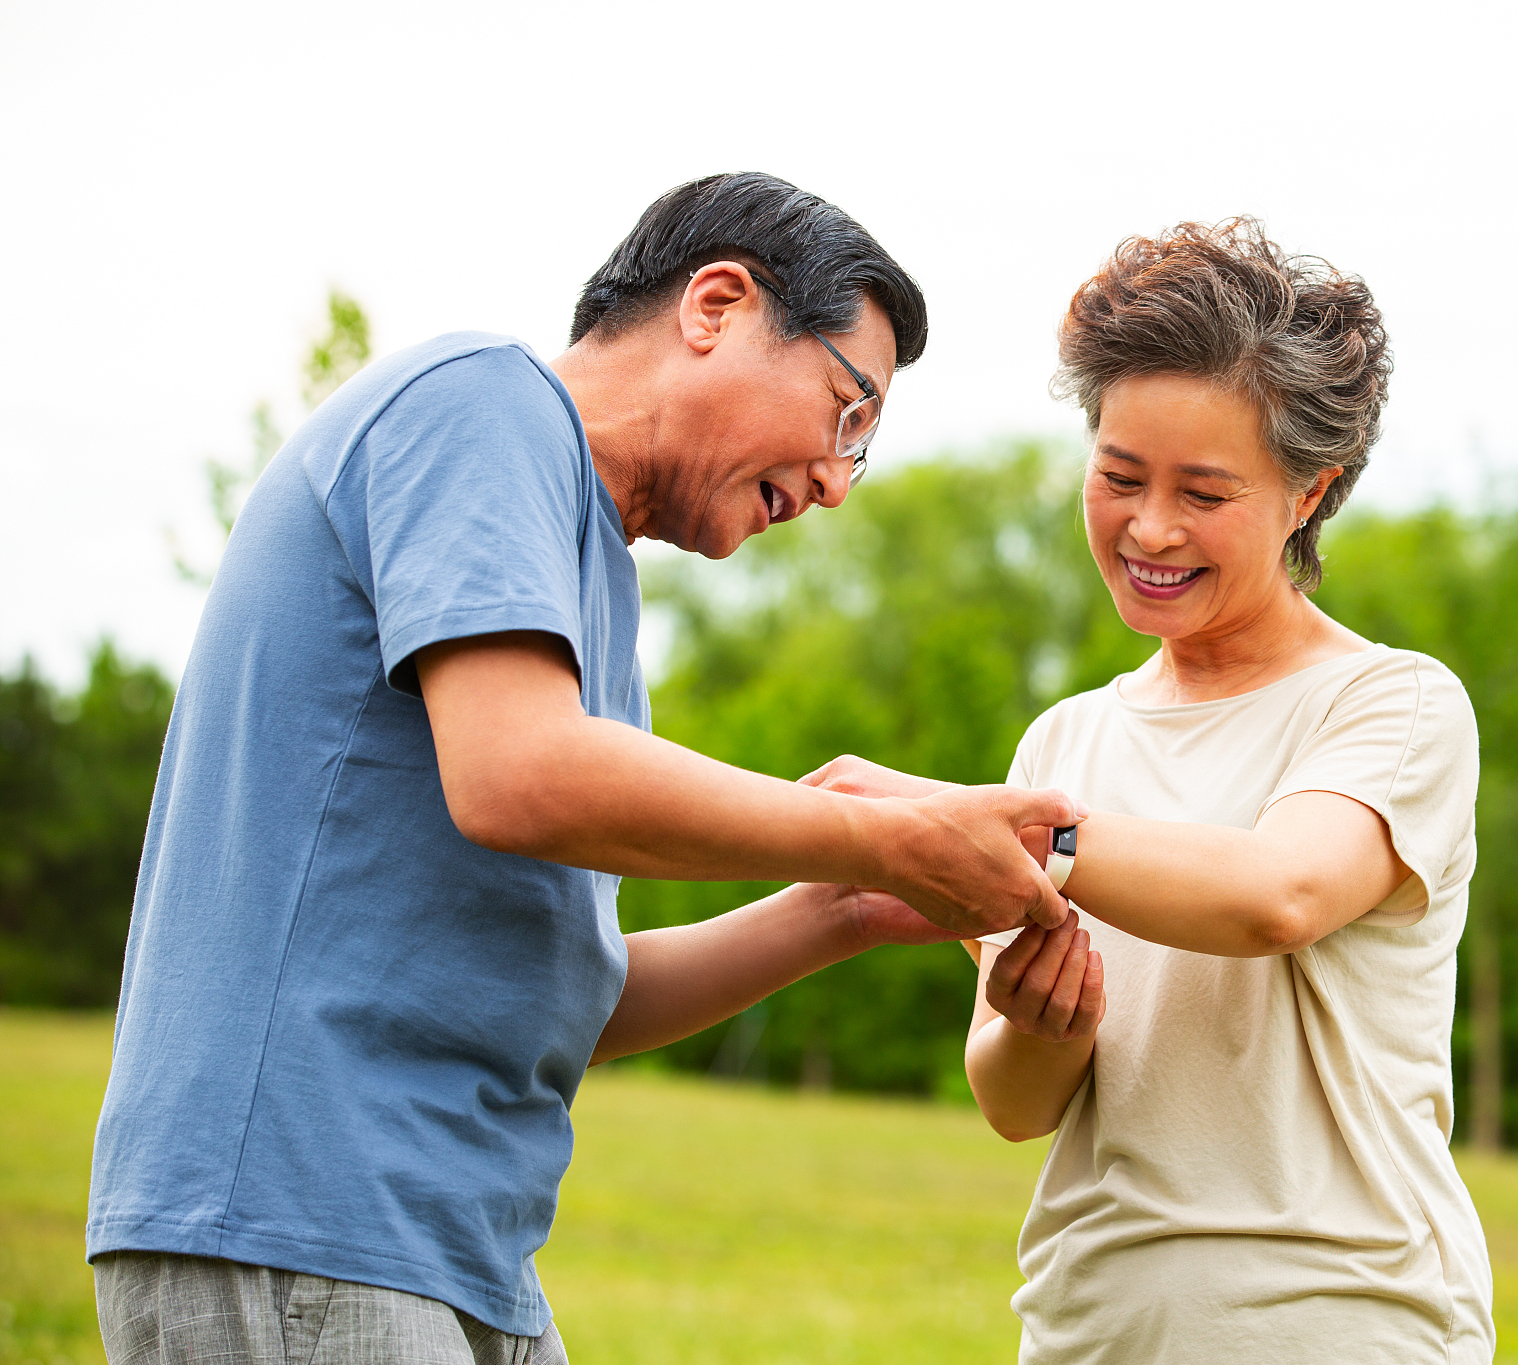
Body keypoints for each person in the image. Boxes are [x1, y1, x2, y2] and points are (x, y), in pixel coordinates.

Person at [86, 172, 1082, 1365]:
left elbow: (561, 994)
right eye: (847, 410)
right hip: (300, 1214)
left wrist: (842, 911)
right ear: (715, 305)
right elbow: (518, 776)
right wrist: (875, 836)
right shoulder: (477, 404)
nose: (832, 480)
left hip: (454, 1249)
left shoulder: (585, 598)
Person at [808, 221, 1493, 1362]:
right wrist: (1041, 1022)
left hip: (1337, 1327)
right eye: (1119, 477)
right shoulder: (1063, 740)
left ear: (1309, 493)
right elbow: (1014, 1102)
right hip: (1091, 1329)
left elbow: (1273, 896)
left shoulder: (1391, 706)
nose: (1151, 528)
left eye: (1205, 493)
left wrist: (979, 825)